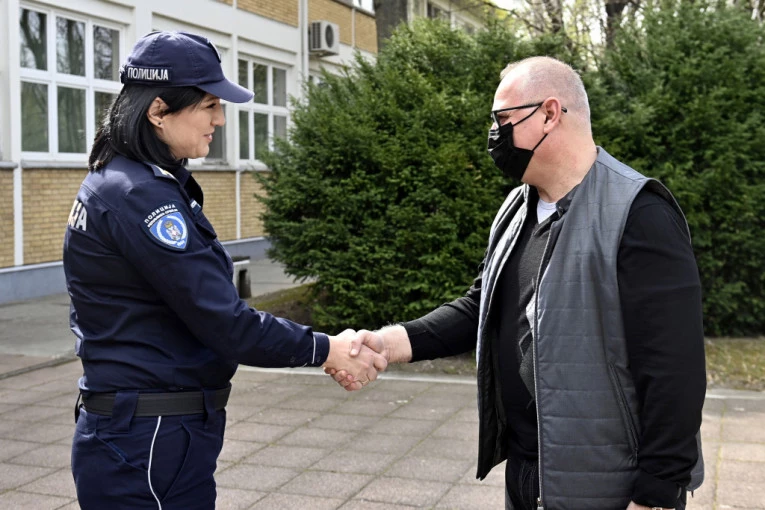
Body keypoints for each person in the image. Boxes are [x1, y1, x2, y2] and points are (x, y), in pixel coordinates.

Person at [329, 56, 706, 510]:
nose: (494, 134)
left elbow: (674, 369)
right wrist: (386, 344)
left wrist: (657, 493)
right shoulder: (517, 206)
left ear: (549, 114)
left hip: (607, 485)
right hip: (529, 475)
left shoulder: (639, 213)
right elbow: (481, 307)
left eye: (503, 120)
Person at [63, 30, 385, 509]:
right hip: (149, 442)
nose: (220, 119)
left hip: (145, 435)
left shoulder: (126, 180)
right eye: (209, 105)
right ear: (158, 111)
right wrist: (328, 349)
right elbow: (225, 322)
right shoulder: (141, 197)